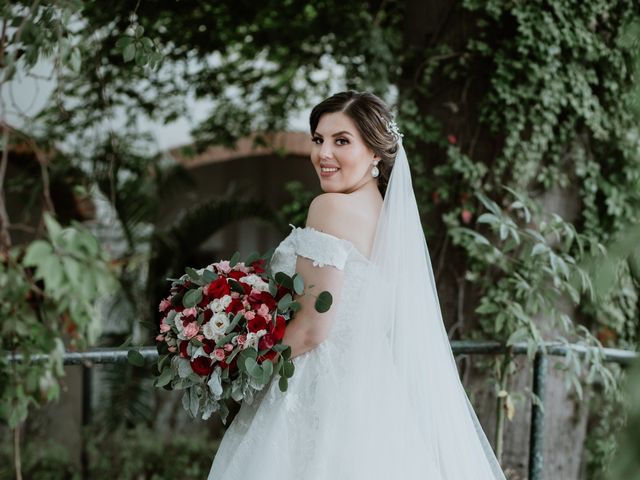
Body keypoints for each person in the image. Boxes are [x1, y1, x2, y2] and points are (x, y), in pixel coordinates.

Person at [208, 90, 507, 479]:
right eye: (318, 139)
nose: (323, 154)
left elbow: (314, 328)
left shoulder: (329, 207)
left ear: (375, 154)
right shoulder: (388, 219)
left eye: (341, 141)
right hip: (376, 396)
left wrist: (240, 367)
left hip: (316, 393)